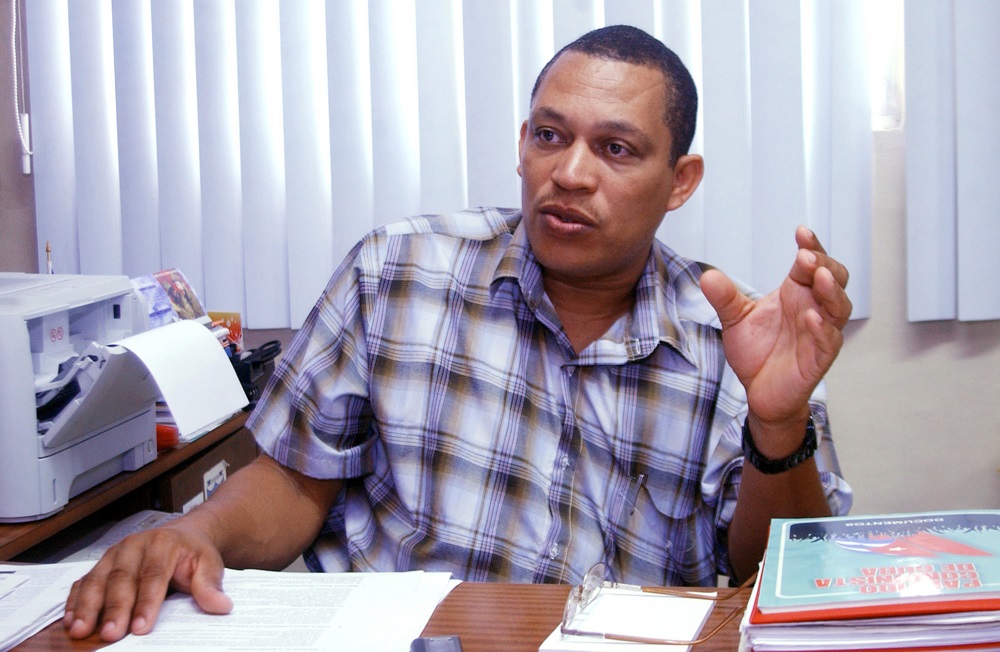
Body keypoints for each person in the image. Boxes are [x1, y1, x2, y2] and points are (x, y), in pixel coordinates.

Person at [65, 24, 852, 642]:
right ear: (522, 142)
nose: (570, 173)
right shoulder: (398, 272)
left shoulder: (726, 335)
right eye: (549, 136)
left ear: (680, 180)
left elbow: (772, 574)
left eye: (615, 148)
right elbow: (297, 482)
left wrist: (777, 421)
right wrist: (194, 532)